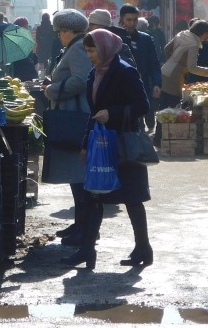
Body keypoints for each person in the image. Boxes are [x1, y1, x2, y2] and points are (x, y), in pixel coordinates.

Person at [61, 28, 152, 270]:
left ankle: (143, 248)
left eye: (92, 50)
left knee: (132, 198)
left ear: (104, 49)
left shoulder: (125, 71)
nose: (90, 55)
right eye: (88, 50)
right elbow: (93, 113)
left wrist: (113, 113)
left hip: (124, 144)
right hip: (101, 144)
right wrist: (84, 145)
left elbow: (142, 105)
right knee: (93, 196)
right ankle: (87, 250)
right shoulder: (95, 73)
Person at [43, 9, 93, 245]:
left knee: (79, 175)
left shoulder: (78, 48)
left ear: (68, 31)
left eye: (59, 31)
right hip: (73, 112)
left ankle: (86, 229)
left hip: (76, 115)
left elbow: (80, 80)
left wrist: (52, 89)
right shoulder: (75, 47)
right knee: (76, 176)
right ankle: (80, 224)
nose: (58, 36)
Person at [155, 20, 208, 146]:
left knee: (163, 108)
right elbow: (192, 67)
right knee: (173, 110)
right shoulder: (194, 44)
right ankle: (169, 140)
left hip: (165, 72)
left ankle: (158, 139)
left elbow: (167, 49)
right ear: (204, 33)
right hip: (174, 77)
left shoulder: (183, 34)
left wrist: (174, 60)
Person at [119, 5, 163, 132]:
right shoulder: (114, 38)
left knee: (140, 122)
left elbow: (154, 63)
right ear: (122, 19)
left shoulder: (146, 39)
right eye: (129, 20)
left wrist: (157, 83)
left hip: (143, 84)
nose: (132, 23)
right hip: (121, 88)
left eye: (135, 20)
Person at [10, 16, 39, 81]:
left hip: (22, 75)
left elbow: (33, 60)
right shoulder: (20, 41)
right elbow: (26, 61)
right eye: (26, 27)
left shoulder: (24, 40)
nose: (28, 29)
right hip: (23, 75)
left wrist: (34, 52)